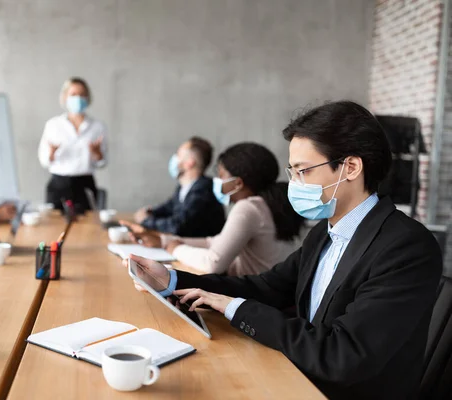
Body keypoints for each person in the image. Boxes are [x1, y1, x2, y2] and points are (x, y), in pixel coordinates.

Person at [124, 101, 442, 400]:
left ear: (351, 168)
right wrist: (173, 281)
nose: (294, 184)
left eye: (304, 171)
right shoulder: (326, 231)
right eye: (292, 172)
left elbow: (344, 355)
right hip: (300, 376)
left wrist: (236, 308)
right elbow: (267, 287)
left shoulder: (405, 246)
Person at [123, 143, 304, 276]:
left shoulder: (249, 208)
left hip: (254, 298)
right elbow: (215, 242)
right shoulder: (266, 204)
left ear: (238, 183)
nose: (216, 181)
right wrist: (163, 240)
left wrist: (173, 247)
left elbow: (213, 263)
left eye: (221, 175)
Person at [38, 77, 108, 214]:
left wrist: (97, 154)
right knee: (55, 228)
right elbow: (44, 160)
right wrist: (51, 154)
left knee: (86, 228)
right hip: (59, 185)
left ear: (88, 98)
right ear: (65, 97)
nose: (78, 98)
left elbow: (103, 162)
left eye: (82, 95)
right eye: (73, 94)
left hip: (85, 184)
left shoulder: (97, 127)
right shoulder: (53, 125)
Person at [133, 137, 226, 238]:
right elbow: (168, 208)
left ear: (189, 163)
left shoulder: (204, 189)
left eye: (178, 155)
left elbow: (179, 226)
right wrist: (149, 212)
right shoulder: (184, 187)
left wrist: (146, 221)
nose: (174, 159)